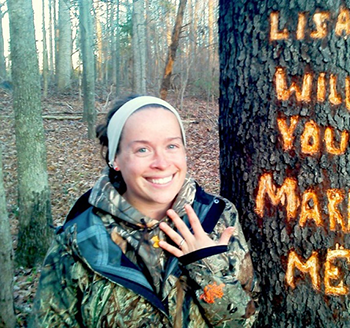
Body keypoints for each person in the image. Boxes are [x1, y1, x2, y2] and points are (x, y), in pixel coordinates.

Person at [30, 96, 259, 327]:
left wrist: (208, 268)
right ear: (115, 159)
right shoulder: (79, 240)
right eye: (142, 149)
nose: (161, 162)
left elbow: (245, 321)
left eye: (171, 146)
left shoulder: (217, 216)